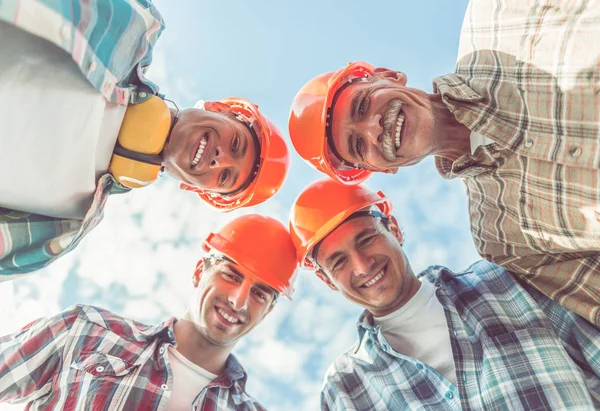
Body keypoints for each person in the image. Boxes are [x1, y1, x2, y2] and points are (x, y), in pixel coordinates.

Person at [288, 1, 600, 325]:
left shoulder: (500, 17)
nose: (373, 128)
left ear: (389, 76)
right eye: (357, 145)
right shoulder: (504, 237)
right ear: (383, 170)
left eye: (362, 105)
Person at [0, 0, 289, 277]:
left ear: (196, 189)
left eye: (225, 176)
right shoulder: (136, 25)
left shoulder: (67, 227)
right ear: (222, 110)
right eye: (236, 144)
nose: (220, 158)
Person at [289, 179, 600, 410]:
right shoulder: (346, 385)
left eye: (367, 239)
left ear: (394, 229)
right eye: (339, 262)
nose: (361, 266)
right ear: (327, 280)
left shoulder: (506, 282)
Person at [0, 214, 297, 410]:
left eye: (260, 293)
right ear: (198, 272)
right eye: (231, 275)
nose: (239, 300)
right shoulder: (84, 330)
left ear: (268, 312)